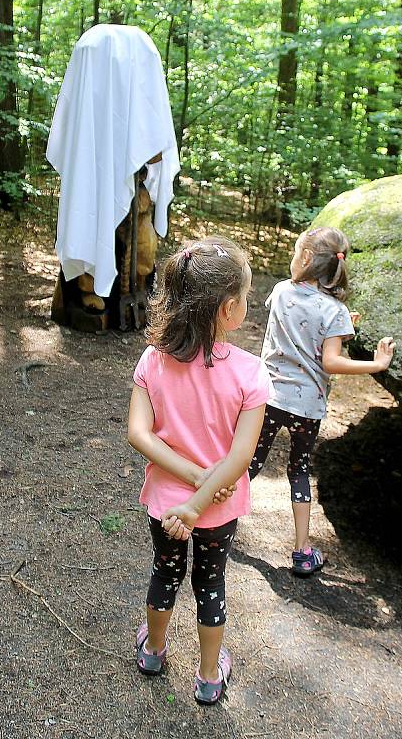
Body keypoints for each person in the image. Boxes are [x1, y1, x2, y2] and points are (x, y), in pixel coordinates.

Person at [128, 236, 273, 704]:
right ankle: (210, 677)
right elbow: (239, 459)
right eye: (246, 298)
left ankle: (153, 650)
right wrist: (200, 496)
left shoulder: (153, 359)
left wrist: (186, 487)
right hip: (216, 505)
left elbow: (140, 435)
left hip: (165, 503)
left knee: (164, 573)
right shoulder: (250, 373)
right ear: (229, 308)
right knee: (211, 583)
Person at [248, 226, 395, 577]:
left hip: (268, 396)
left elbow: (300, 322)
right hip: (306, 408)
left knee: (249, 463)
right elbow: (329, 360)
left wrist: (338, 323)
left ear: (307, 258)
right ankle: (301, 552)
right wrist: (374, 362)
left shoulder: (282, 291)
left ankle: (211, 512)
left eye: (296, 252)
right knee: (298, 471)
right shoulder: (336, 311)